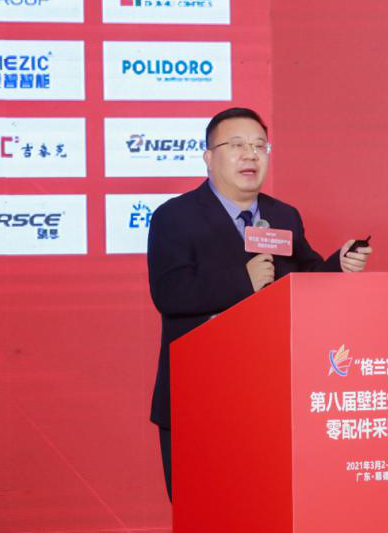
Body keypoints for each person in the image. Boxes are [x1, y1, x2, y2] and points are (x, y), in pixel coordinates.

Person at [145, 107, 372, 502]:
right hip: (199, 398)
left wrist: (339, 263)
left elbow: (305, 279)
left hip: (272, 398)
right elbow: (170, 293)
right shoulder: (175, 217)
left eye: (258, 146)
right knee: (207, 512)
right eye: (236, 145)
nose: (250, 154)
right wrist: (242, 281)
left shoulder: (283, 215)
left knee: (268, 510)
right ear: (208, 157)